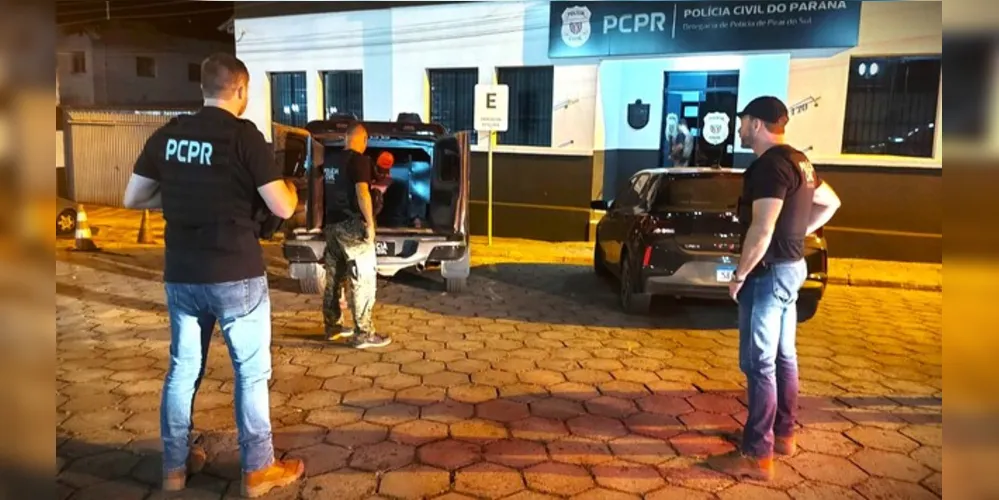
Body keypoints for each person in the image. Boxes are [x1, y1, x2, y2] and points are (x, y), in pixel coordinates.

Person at [122, 52, 305, 498]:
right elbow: (281, 207)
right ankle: (258, 469)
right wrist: (291, 189)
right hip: (235, 274)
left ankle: (174, 468)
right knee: (250, 373)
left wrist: (180, 197)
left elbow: (133, 198)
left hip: (182, 275)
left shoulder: (169, 135)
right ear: (240, 90)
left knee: (182, 371)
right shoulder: (243, 137)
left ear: (202, 88)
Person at [708, 96, 841, 481]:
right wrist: (796, 235)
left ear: (757, 124)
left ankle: (756, 454)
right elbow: (830, 202)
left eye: (743, 121)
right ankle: (782, 436)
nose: (739, 128)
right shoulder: (800, 161)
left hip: (767, 274)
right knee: (784, 357)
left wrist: (739, 275)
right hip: (791, 268)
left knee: (759, 363)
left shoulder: (769, 167)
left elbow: (762, 228)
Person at [322, 122, 391, 348]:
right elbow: (362, 193)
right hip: (351, 225)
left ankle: (332, 326)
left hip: (331, 225)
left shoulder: (330, 160)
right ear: (363, 140)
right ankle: (364, 333)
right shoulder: (359, 160)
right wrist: (370, 224)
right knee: (364, 278)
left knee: (334, 278)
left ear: (345, 138)